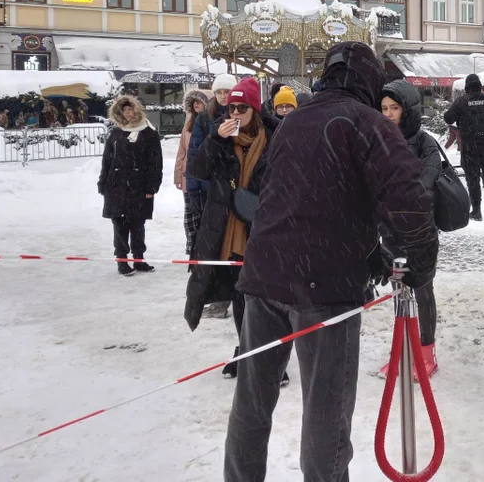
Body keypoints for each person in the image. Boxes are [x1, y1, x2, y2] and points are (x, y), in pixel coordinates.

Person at [224, 41, 437, 482]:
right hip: (325, 284)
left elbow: (280, 192)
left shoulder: (294, 120)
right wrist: (420, 264)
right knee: (326, 412)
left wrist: (369, 244)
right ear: (368, 81)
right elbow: (408, 200)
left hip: (264, 274)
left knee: (252, 403)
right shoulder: (367, 123)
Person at [184, 77, 284, 382]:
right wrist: (215, 139)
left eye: (243, 107)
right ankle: (245, 350)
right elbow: (196, 170)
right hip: (229, 227)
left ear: (254, 108)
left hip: (266, 226)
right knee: (241, 293)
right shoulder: (221, 136)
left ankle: (272, 359)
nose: (235, 112)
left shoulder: (275, 136)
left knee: (267, 298)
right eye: (232, 107)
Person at [378, 78, 442, 378]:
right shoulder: (378, 140)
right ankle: (402, 350)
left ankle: (426, 352)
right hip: (388, 228)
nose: (389, 114)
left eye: (394, 108)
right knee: (398, 291)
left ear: (408, 109)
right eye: (384, 108)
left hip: (419, 230)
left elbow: (425, 185)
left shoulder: (424, 141)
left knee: (422, 289)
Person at [187, 74, 237, 314]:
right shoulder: (205, 118)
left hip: (237, 190)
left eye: (227, 92)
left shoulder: (242, 114)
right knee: (215, 246)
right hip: (213, 189)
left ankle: (237, 297)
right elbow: (196, 155)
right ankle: (219, 300)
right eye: (219, 93)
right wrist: (194, 188)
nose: (223, 97)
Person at [98, 96, 163, 276]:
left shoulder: (149, 133)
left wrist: (152, 186)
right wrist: (103, 182)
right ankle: (122, 260)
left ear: (137, 110)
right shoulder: (116, 133)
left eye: (130, 109)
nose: (128, 113)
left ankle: (139, 259)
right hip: (116, 186)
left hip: (139, 186)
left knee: (137, 224)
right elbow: (107, 160)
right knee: (119, 225)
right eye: (124, 110)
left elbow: (155, 163)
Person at [444, 73, 484, 221]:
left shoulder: (461, 101)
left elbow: (448, 118)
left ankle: (476, 210)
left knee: (472, 178)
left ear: (466, 87)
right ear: (479, 86)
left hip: (469, 145)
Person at [175, 90, 209, 256]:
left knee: (205, 215)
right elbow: (182, 152)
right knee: (190, 216)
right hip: (188, 177)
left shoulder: (210, 123)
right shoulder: (187, 125)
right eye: (194, 102)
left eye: (200, 101)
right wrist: (177, 175)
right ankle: (192, 247)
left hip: (205, 177)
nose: (197, 104)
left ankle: (203, 248)